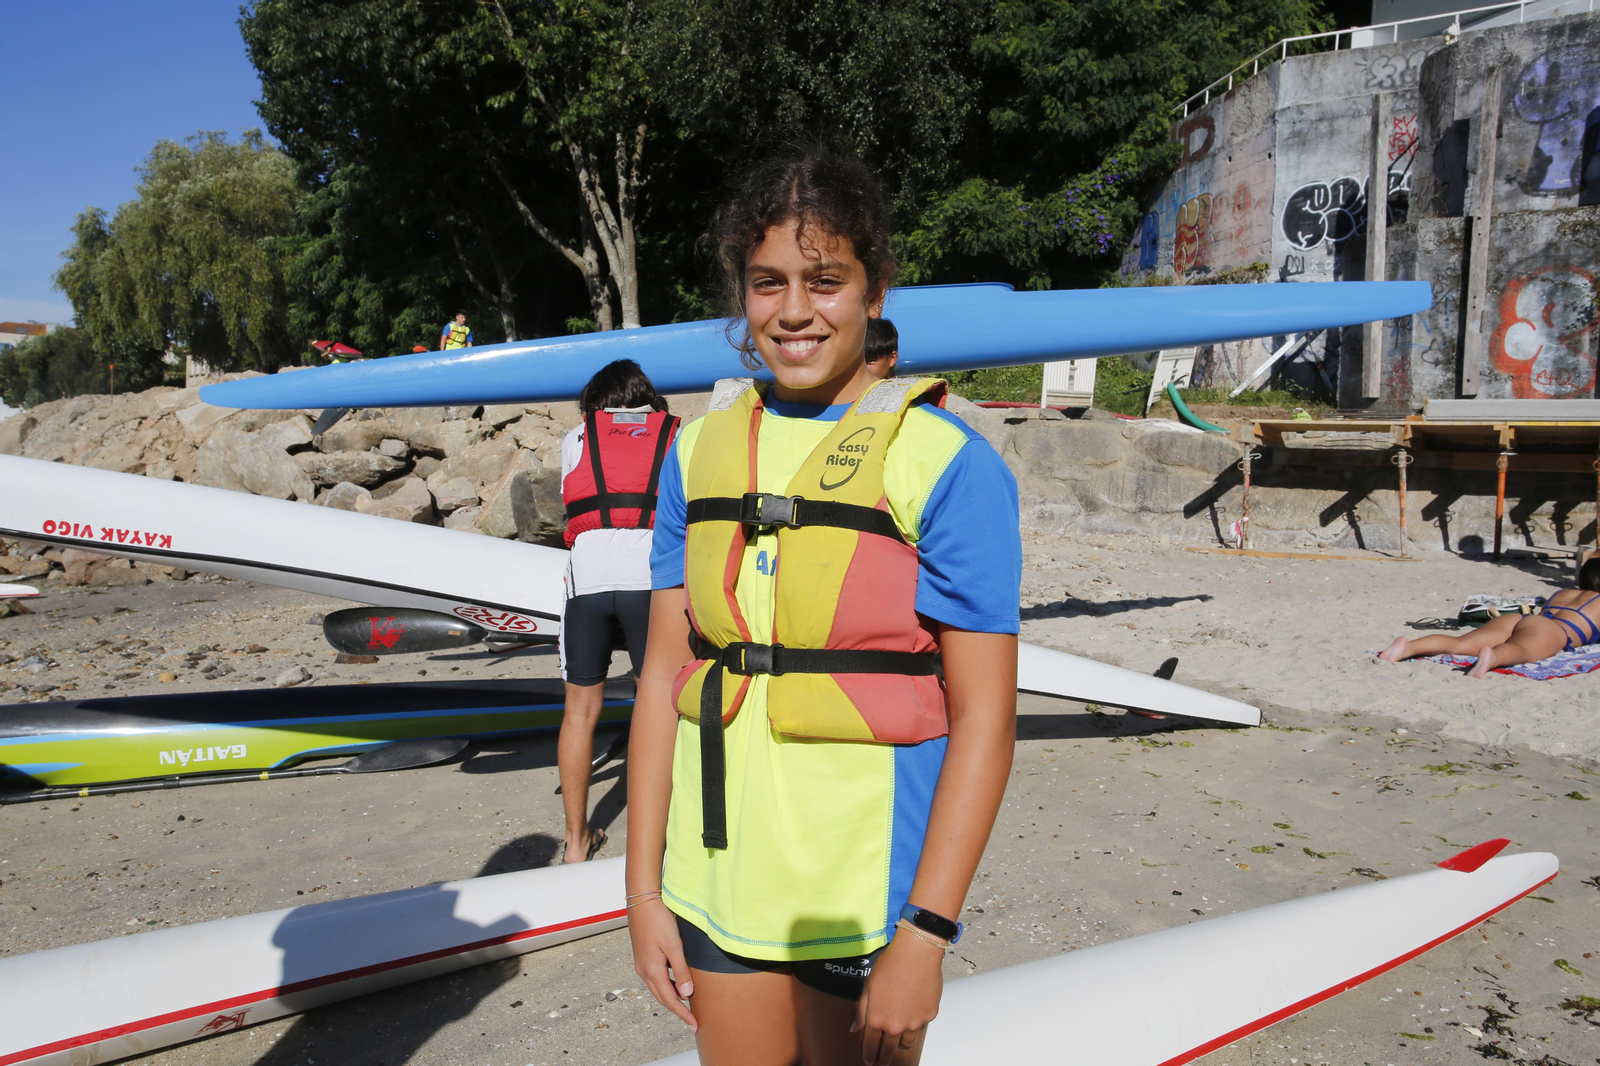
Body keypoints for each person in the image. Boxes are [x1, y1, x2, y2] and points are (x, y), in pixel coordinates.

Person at [626, 140, 1021, 1066]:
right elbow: (657, 680)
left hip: (864, 900)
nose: (794, 311)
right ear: (741, 294)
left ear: (874, 289)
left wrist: (925, 934)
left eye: (824, 279)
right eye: (767, 283)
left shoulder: (948, 465)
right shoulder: (693, 455)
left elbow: (987, 721)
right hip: (715, 883)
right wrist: (645, 894)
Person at [558, 359, 680, 863]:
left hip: (585, 581)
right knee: (660, 703)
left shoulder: (574, 438)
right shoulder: (677, 435)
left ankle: (575, 841)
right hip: (650, 581)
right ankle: (663, 840)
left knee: (580, 711)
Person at [1378, 558, 1600, 677]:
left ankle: (1408, 647)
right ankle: (1493, 658)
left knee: (1461, 643)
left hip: (1518, 619)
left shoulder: (1565, 593)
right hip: (1553, 631)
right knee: (1521, 650)